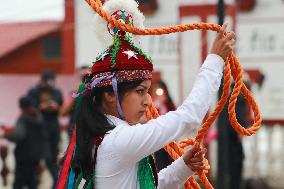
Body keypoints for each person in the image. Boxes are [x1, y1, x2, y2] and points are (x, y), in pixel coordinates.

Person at [56, 0, 236, 188]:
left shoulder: (103, 138)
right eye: (140, 91)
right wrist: (215, 60)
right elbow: (189, 117)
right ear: (110, 95)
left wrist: (183, 167)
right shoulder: (119, 140)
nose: (148, 101)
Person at [27, 69, 63, 188]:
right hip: (38, 128)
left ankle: (56, 182)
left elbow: (61, 107)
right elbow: (29, 108)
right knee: (37, 158)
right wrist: (40, 107)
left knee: (52, 158)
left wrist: (55, 107)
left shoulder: (56, 91)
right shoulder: (34, 92)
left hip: (53, 127)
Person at [0, 96, 46, 189]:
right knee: (32, 183)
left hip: (23, 157)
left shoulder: (23, 119)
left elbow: (19, 135)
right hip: (36, 156)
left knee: (18, 184)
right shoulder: (38, 117)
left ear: (22, 107)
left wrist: (5, 135)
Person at [150, 80, 175, 171]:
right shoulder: (152, 103)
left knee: (171, 161)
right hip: (158, 138)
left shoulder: (168, 103)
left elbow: (173, 116)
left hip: (169, 137)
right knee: (160, 162)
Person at [60, 66, 90, 138]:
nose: (85, 79)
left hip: (92, 129)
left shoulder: (97, 92)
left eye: (88, 76)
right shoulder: (74, 93)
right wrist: (76, 94)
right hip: (75, 130)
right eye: (83, 76)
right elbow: (63, 112)